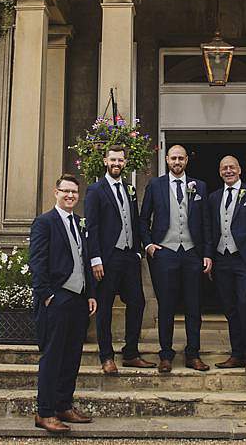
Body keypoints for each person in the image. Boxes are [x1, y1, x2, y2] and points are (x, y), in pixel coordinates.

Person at [29, 174, 98, 433]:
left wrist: (90, 293)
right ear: (55, 192)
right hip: (56, 298)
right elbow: (37, 261)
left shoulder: (80, 223)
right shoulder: (44, 222)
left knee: (72, 356)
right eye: (65, 191)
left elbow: (85, 260)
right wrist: (46, 294)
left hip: (79, 299)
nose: (70, 195)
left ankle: (63, 405)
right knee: (53, 356)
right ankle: (44, 412)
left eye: (74, 192)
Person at [139, 144, 212, 372]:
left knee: (193, 305)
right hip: (165, 253)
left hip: (192, 253)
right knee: (166, 306)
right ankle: (166, 355)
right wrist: (149, 244)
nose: (177, 162)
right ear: (167, 160)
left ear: (186, 161)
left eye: (181, 158)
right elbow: (143, 219)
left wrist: (208, 253)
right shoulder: (155, 185)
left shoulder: (199, 186)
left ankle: (193, 354)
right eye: (173, 158)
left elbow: (207, 223)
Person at [85, 144, 155, 374]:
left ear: (125, 163)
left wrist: (137, 250)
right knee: (104, 308)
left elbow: (134, 222)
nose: (116, 164)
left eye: (120, 160)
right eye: (113, 160)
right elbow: (92, 227)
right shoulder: (95, 190)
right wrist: (95, 258)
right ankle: (106, 356)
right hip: (107, 257)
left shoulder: (130, 189)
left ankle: (131, 353)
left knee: (137, 302)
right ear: (105, 161)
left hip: (129, 257)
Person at [208, 155, 246, 373]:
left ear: (240, 169)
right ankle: (236, 354)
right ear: (220, 172)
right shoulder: (214, 197)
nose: (228, 171)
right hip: (222, 259)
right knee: (230, 308)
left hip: (245, 260)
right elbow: (210, 230)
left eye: (232, 167)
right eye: (224, 168)